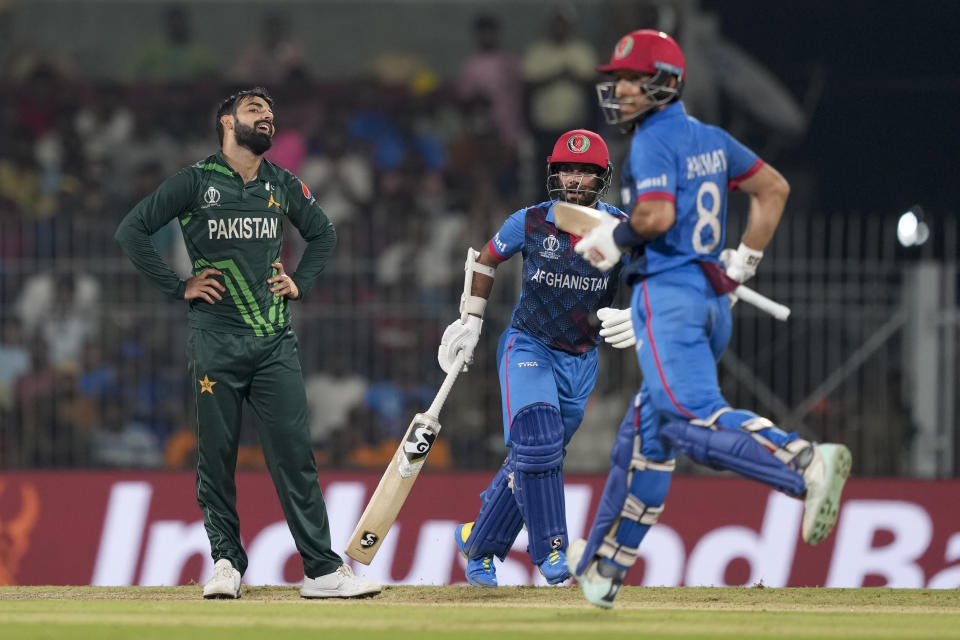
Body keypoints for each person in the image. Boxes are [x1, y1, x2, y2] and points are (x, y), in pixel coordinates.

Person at [567, 30, 851, 608]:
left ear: (665, 84)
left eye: (632, 80)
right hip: (710, 300)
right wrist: (742, 264)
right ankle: (603, 568)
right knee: (644, 436)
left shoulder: (651, 140)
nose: (619, 91)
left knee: (686, 417)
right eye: (617, 79)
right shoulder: (713, 139)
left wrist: (611, 241)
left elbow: (654, 213)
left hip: (667, 297)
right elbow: (773, 190)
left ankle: (802, 463)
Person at [114, 87, 381, 600]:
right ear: (226, 122)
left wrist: (301, 281)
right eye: (255, 110)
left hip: (273, 340)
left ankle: (323, 570)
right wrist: (179, 286)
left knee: (295, 456)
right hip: (215, 341)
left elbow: (323, 234)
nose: (268, 118)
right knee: (216, 456)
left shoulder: (282, 183)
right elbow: (132, 231)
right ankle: (225, 563)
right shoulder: (194, 182)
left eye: (272, 112)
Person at [439, 129, 635, 587]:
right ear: (554, 174)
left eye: (585, 172)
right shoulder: (529, 222)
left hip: (581, 361)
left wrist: (641, 313)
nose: (574, 179)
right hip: (528, 346)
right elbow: (486, 259)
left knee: (531, 458)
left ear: (601, 178)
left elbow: (654, 274)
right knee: (540, 444)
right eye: (567, 169)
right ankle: (553, 550)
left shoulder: (620, 230)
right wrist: (471, 320)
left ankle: (478, 542)